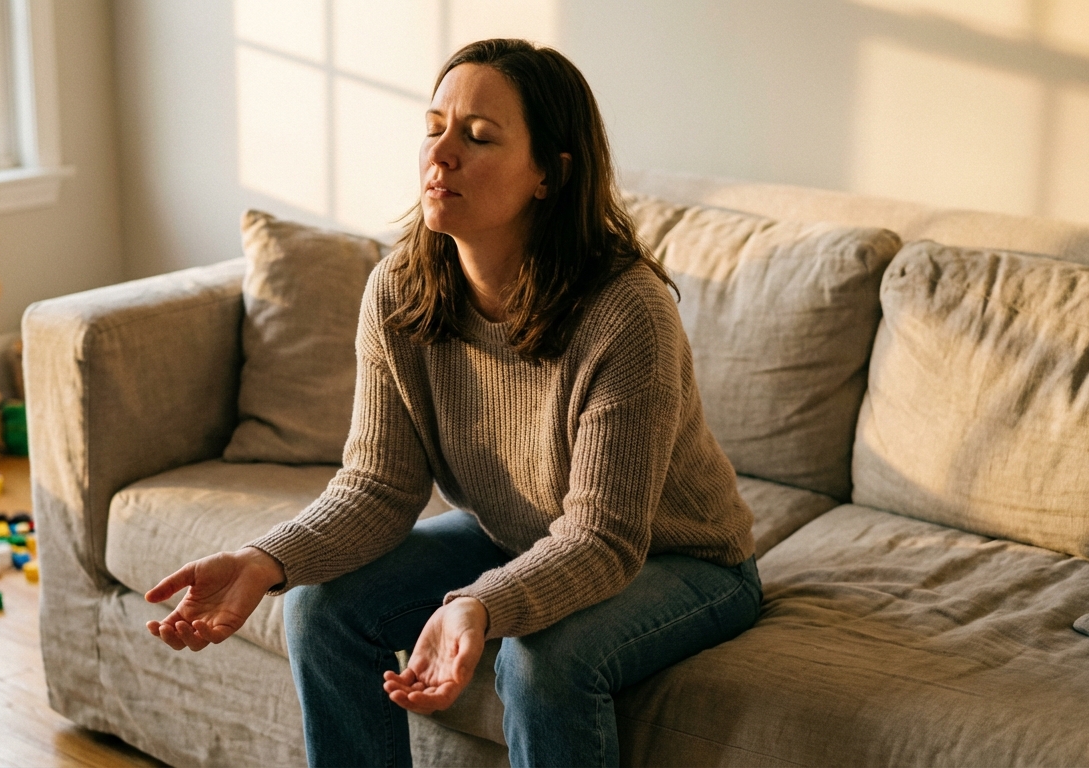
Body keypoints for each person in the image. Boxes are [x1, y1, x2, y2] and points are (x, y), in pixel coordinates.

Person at [145, 38, 762, 768]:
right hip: (519, 536)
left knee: (540, 660)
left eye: (478, 137)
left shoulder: (625, 312)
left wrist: (482, 603)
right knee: (320, 608)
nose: (441, 155)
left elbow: (602, 540)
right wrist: (262, 560)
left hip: (685, 561)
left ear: (549, 174)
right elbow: (378, 487)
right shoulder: (400, 291)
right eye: (434, 127)